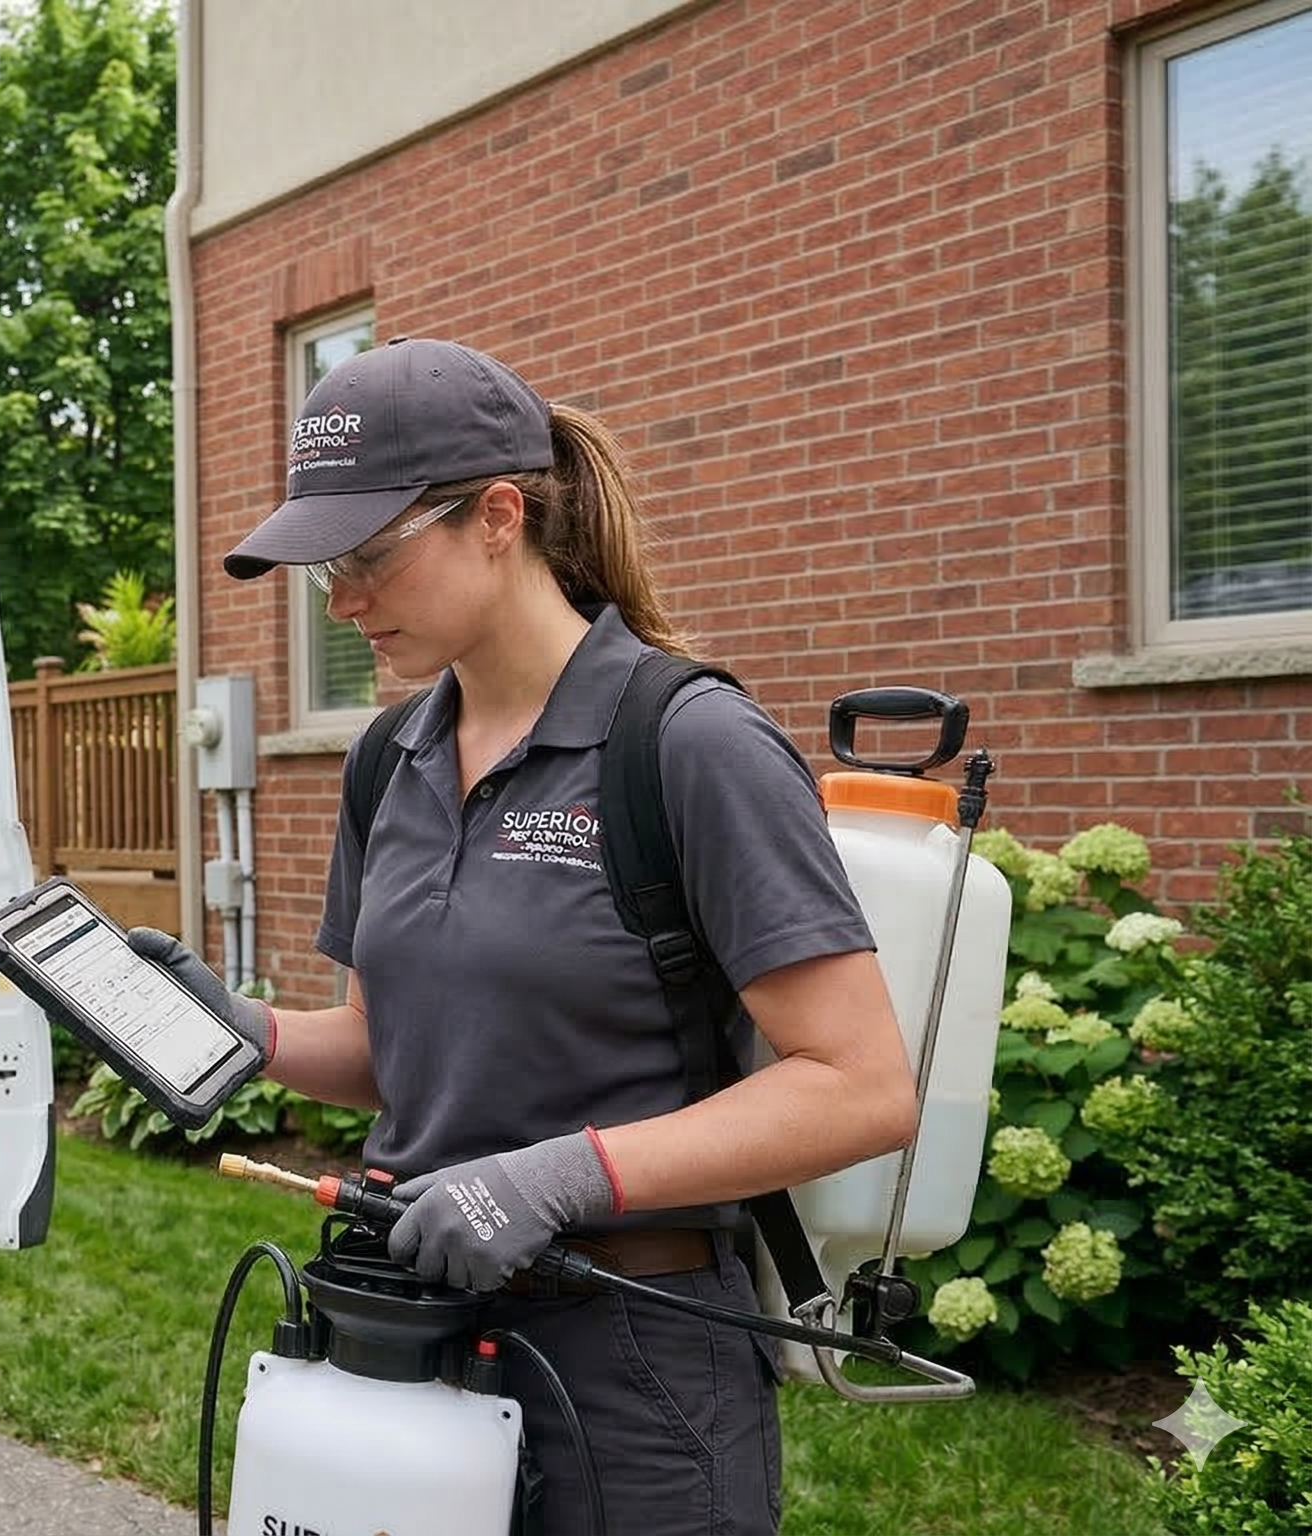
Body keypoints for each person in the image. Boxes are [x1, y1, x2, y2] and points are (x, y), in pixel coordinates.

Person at [132, 337, 918, 1535]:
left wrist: (553, 1178)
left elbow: (860, 1087)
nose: (341, 603)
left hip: (630, 1362)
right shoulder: (386, 759)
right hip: (411, 1340)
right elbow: (392, 1050)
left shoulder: (686, 744)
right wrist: (242, 1031)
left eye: (369, 557)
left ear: (498, 516)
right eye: (326, 569)